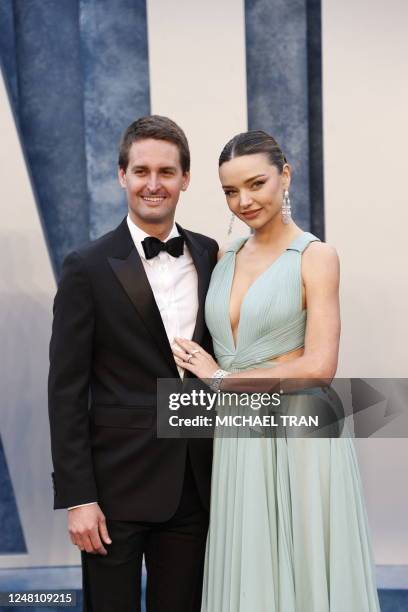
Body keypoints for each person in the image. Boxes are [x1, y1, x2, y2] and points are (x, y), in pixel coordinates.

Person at [172, 130, 380, 611]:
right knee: (250, 563)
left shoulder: (316, 257)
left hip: (302, 436)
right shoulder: (223, 258)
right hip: (240, 433)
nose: (243, 201)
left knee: (304, 561)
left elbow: (320, 367)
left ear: (285, 176)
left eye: (256, 183)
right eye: (229, 191)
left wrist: (220, 379)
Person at [48, 115, 218, 612]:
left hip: (193, 484)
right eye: (141, 170)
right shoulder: (86, 266)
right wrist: (79, 497)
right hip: (113, 492)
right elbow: (66, 391)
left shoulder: (210, 254)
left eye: (167, 172)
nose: (153, 184)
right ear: (122, 175)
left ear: (185, 179)